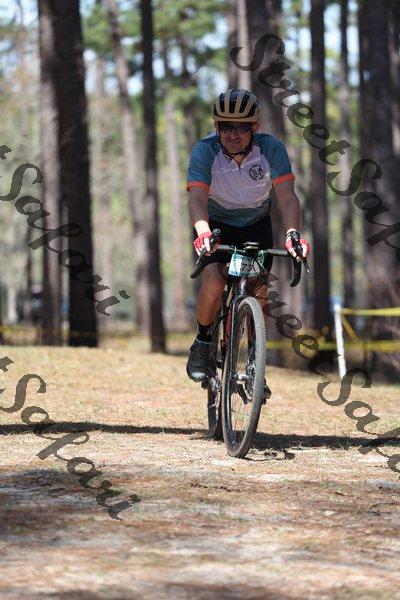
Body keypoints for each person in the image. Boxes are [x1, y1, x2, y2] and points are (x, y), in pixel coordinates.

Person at [186, 88, 310, 383]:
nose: (233, 134)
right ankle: (203, 341)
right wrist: (203, 232)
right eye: (225, 127)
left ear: (255, 127)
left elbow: (288, 198)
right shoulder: (205, 150)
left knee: (259, 292)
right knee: (214, 281)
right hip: (216, 224)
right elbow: (197, 199)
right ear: (216, 126)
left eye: (241, 127)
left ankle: (255, 360)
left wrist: (293, 233)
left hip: (256, 223)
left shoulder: (271, 149)